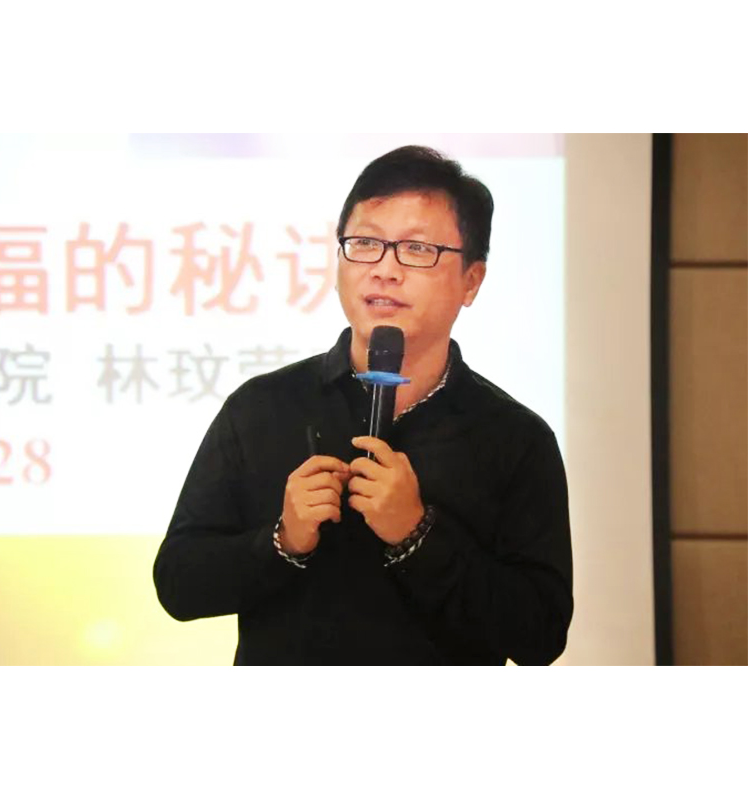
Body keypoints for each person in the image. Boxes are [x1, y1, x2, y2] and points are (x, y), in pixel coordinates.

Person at [153, 145, 573, 665]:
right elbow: (178, 584)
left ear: (472, 280)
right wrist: (283, 540)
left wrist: (417, 535)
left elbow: (540, 635)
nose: (384, 269)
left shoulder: (515, 438)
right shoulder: (263, 407)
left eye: (417, 249)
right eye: (365, 243)